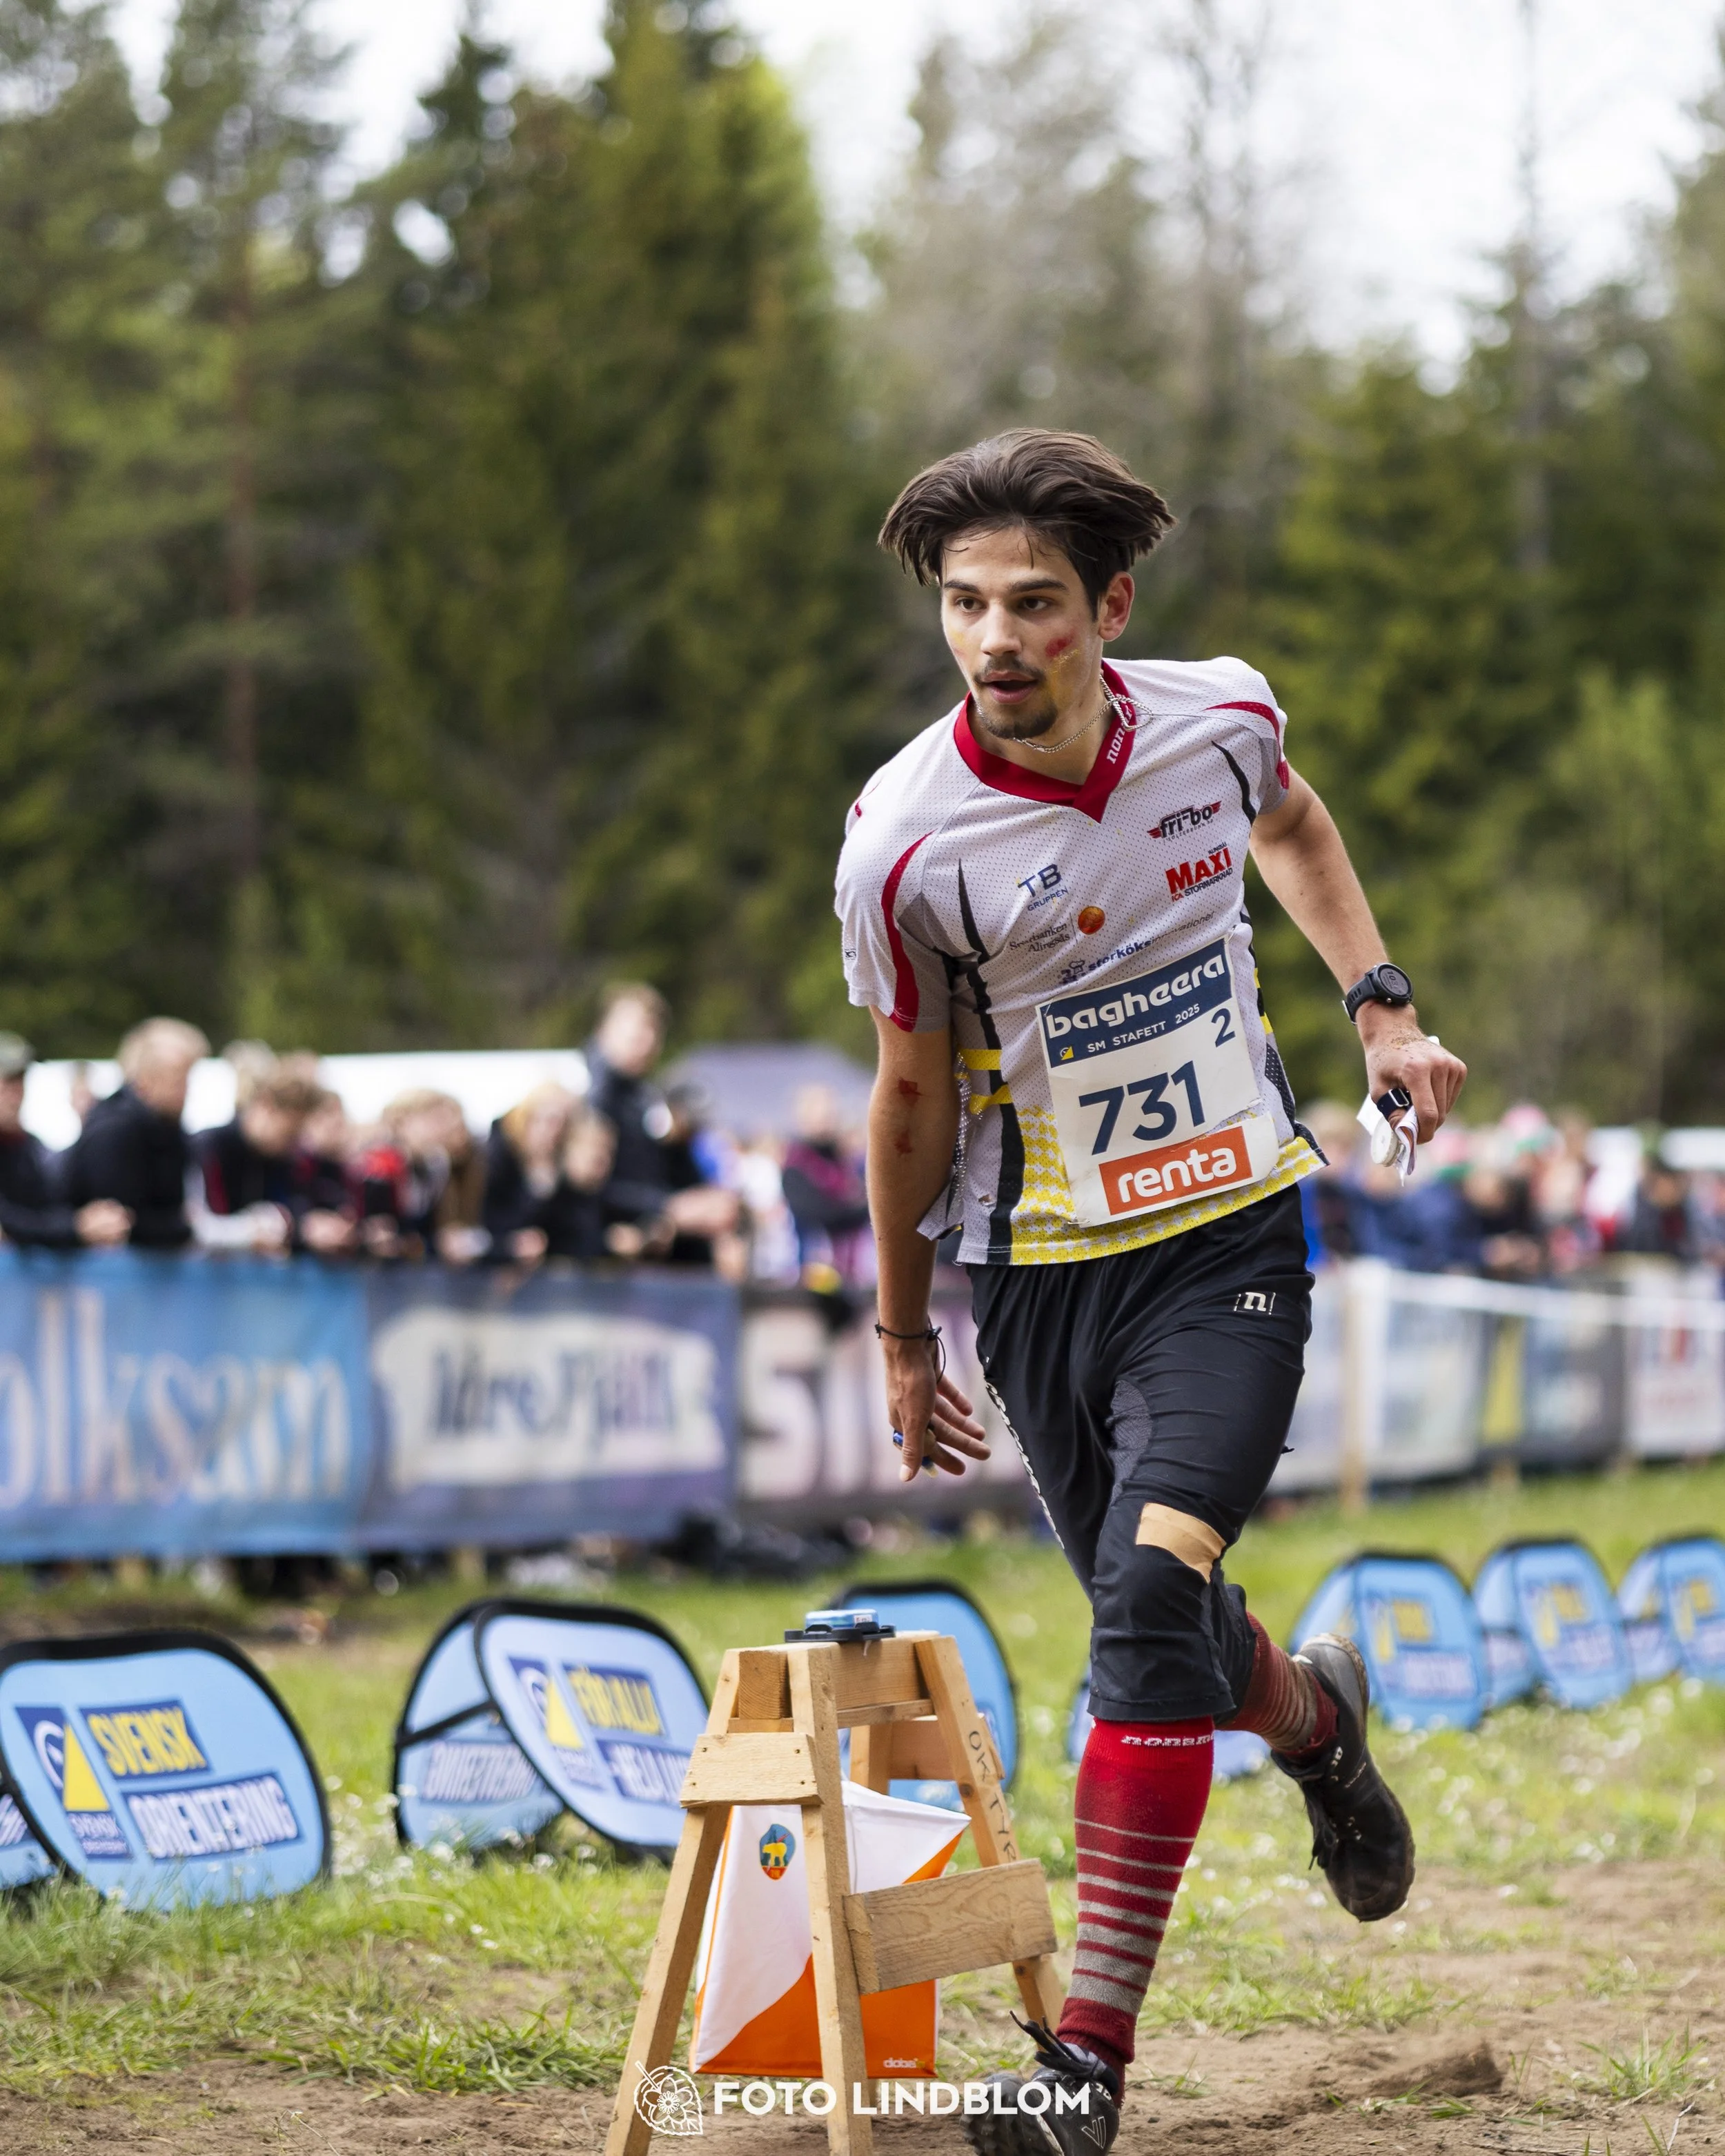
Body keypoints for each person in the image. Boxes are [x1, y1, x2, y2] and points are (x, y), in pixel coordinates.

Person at [836, 431, 1467, 2154]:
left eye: (1033, 601)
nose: (996, 637)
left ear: (1107, 607)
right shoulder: (903, 842)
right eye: (965, 605)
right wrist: (905, 1332)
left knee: (1142, 1601)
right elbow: (903, 1101)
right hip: (1037, 1267)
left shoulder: (1219, 715)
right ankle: (1319, 1721)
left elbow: (1297, 823)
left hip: (1227, 1240)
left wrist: (1382, 1004)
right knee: (1170, 1635)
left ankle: (1085, 2069)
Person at [61, 1017, 211, 1249]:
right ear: (146, 1079)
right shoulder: (114, 1131)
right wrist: (189, 1228)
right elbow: (121, 1223)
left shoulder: (169, 1130)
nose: (187, 1091)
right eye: (179, 1080)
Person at [0, 1034, 132, 1249]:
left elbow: (48, 1205)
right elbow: (10, 1219)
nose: (17, 1094)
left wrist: (92, 1219)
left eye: (21, 1081)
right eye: (9, 1082)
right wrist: (77, 1227)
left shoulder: (26, 1145)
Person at [482, 1082, 577, 1263]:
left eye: (561, 1124)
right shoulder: (498, 1158)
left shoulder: (562, 1165)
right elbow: (488, 1220)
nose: (553, 1131)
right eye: (547, 1121)